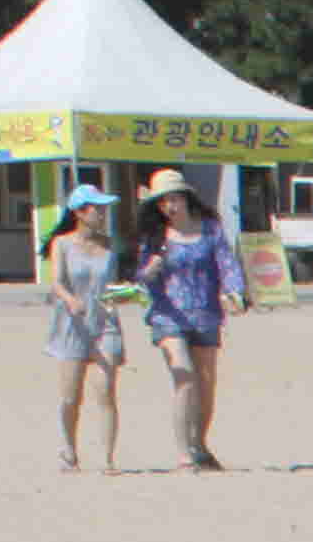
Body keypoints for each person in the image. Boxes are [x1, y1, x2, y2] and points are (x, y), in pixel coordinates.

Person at [132, 172, 246, 473]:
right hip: (167, 315)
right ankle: (184, 453)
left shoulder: (210, 230)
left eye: (174, 199)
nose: (169, 206)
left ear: (186, 198)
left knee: (206, 385)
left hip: (206, 314)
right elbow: (140, 278)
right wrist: (150, 270)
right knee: (184, 375)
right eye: (163, 202)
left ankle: (199, 444)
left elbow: (227, 264)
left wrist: (235, 291)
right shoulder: (156, 237)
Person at [40, 183, 125, 474]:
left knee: (106, 391)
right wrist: (70, 299)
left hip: (105, 322)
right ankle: (69, 451)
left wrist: (127, 293)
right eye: (96, 208)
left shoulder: (110, 245)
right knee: (70, 396)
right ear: (79, 212)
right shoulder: (62, 244)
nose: (102, 214)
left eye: (104, 208)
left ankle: (108, 459)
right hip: (72, 324)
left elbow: (112, 285)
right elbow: (56, 282)